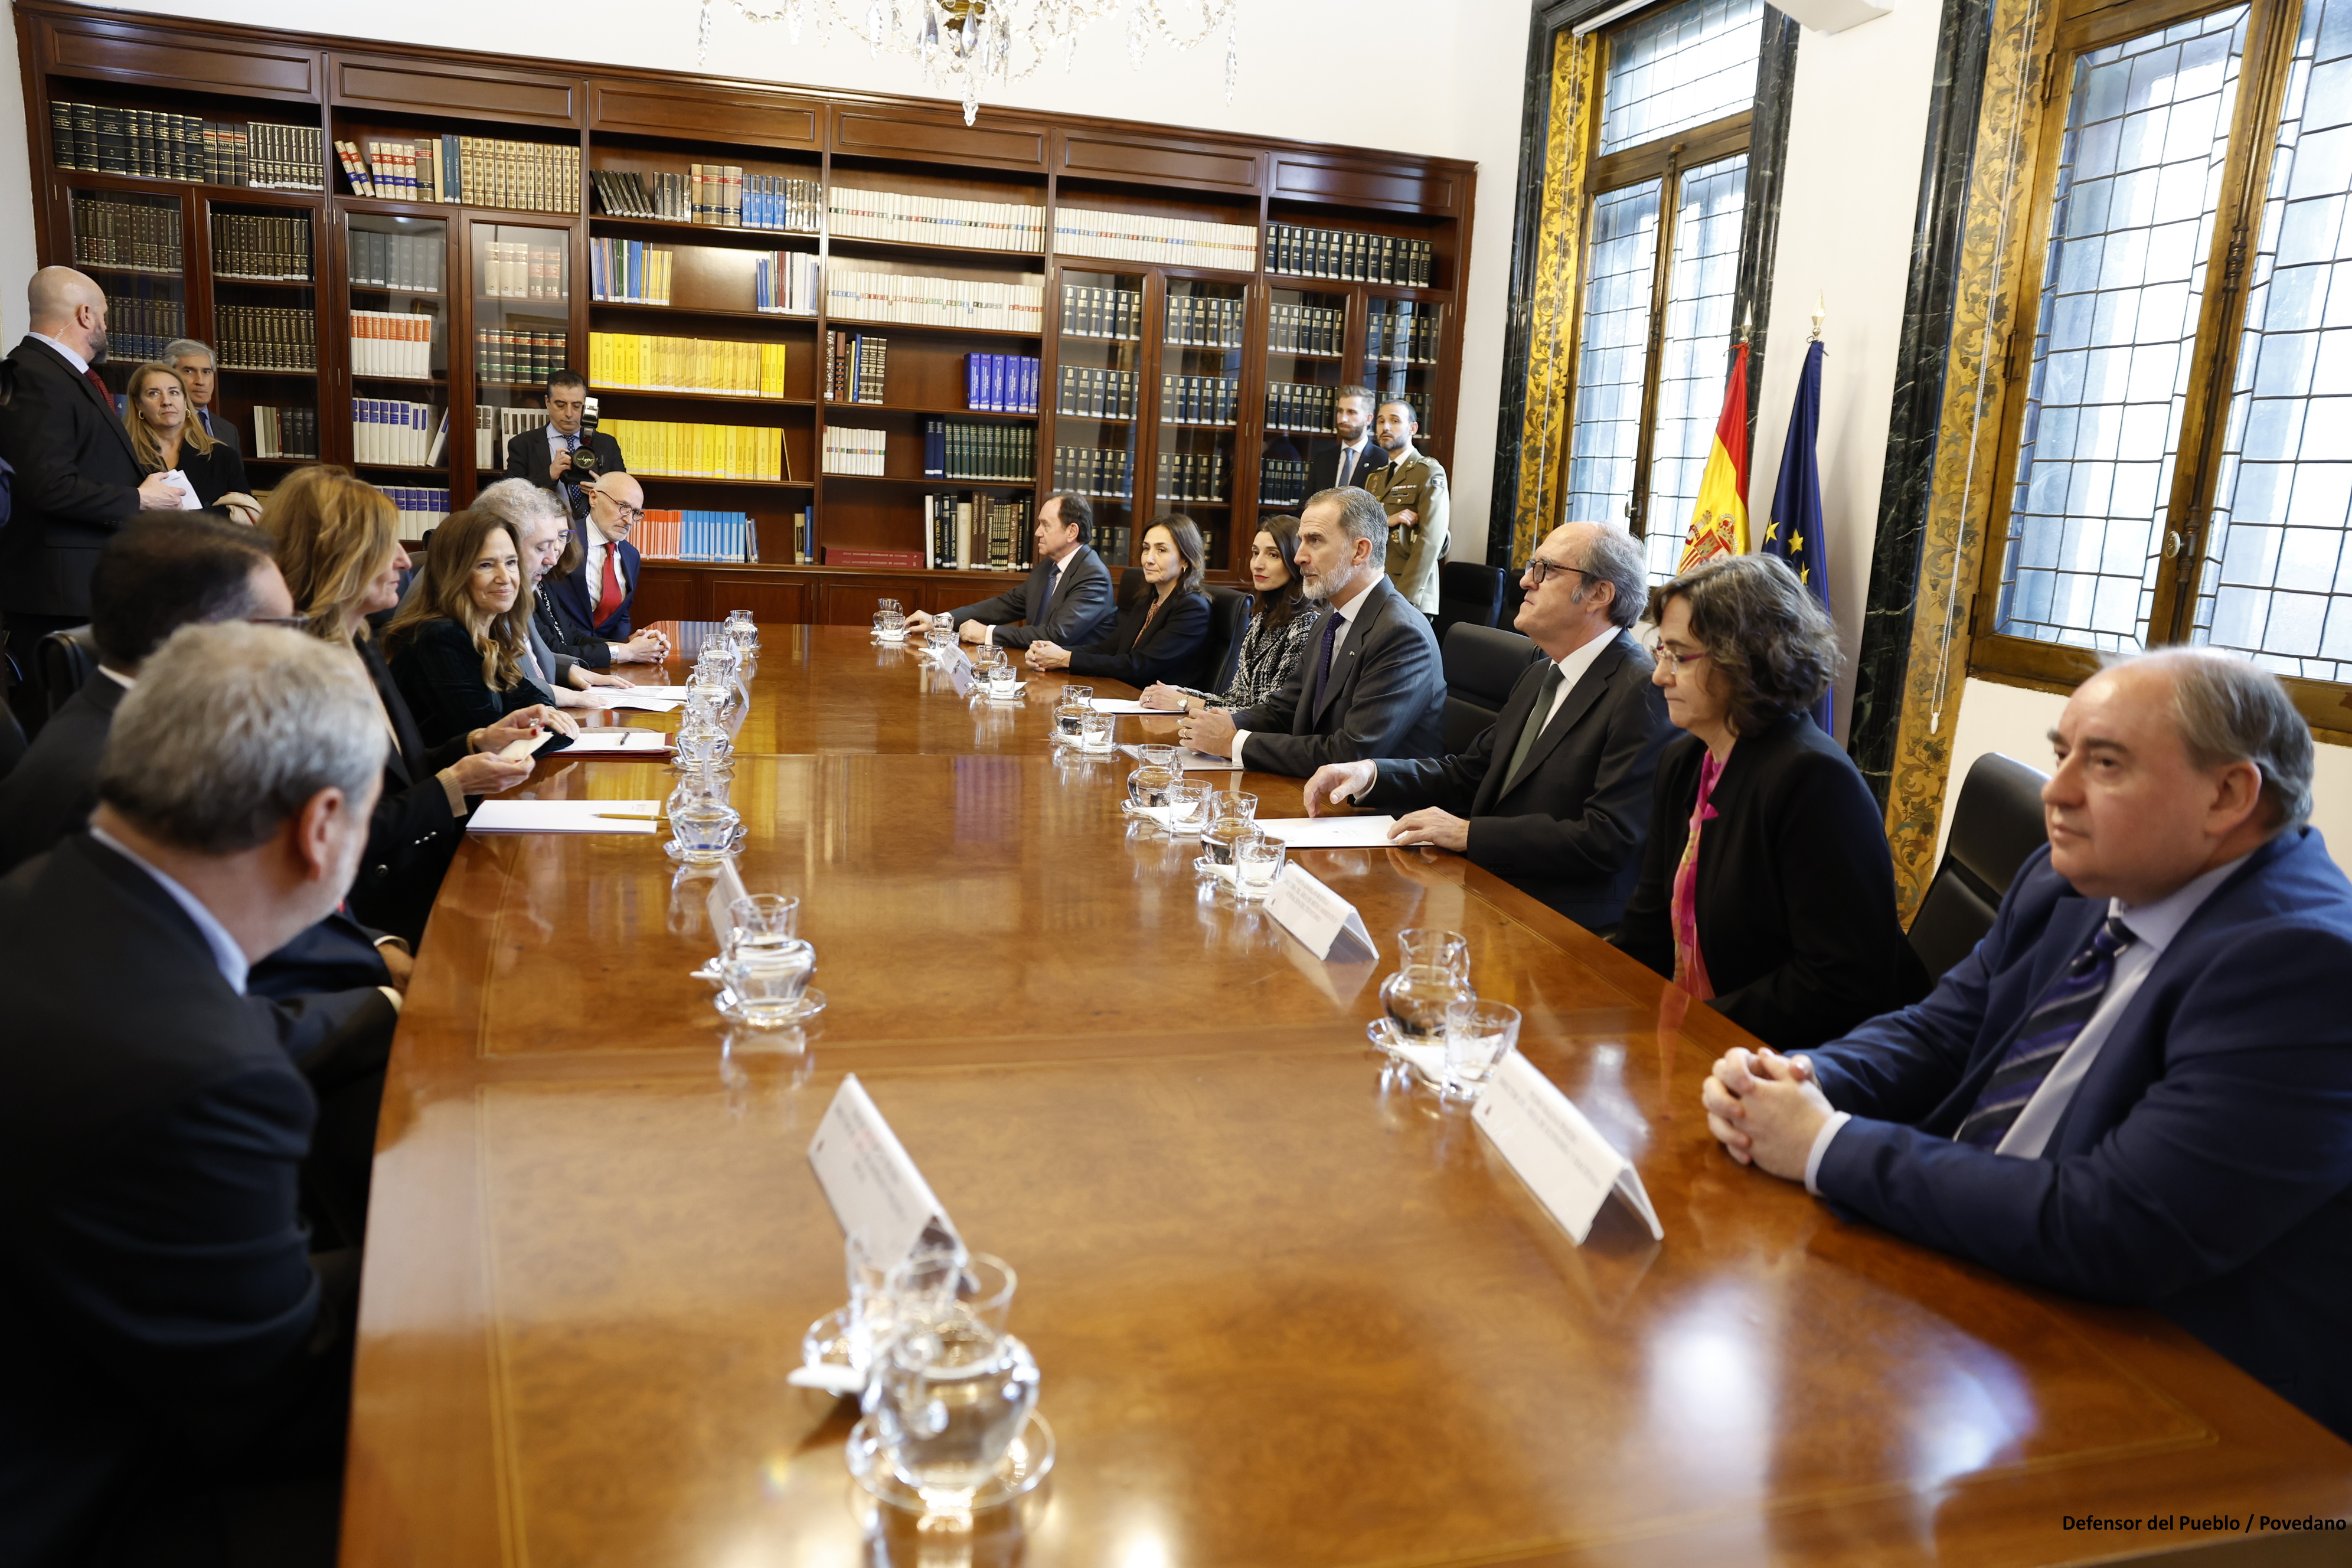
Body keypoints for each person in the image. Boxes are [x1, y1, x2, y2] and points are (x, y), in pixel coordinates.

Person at [1701, 649, 2352, 1439]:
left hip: (2186, 1390)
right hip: (1984, 1276)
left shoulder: (2307, 967)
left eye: (2105, 764)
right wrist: (1803, 1077)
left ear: (2229, 795)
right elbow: (1943, 1030)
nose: (2057, 791)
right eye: (2061, 754)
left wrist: (1824, 1145)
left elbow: (2120, 1225)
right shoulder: (2068, 879)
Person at [0, 623, 388, 1565]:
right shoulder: (206, 1076)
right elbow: (269, 1403)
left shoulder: (42, 894)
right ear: (322, 826)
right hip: (84, 1496)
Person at [1613, 553, 1927, 1049]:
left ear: (1747, 658)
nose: (1660, 677)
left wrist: (1689, 1027)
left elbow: (1839, 983)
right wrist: (1595, 1002)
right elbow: (1648, 929)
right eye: (1661, 653)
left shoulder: (1812, 779)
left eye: (1680, 656)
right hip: (1703, 1036)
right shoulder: (1684, 762)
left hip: (1799, 1062)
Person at [1301, 521, 1671, 930]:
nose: (1526, 581)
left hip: (1562, 920)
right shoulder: (1540, 673)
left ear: (1599, 594)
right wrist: (1369, 773)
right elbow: (1469, 773)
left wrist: (1470, 834)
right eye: (1532, 566)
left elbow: (1608, 838)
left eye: (1546, 570)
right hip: (1485, 887)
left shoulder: (1643, 690)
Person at [263, 466, 551, 944]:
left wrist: (476, 741)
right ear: (335, 556)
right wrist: (450, 787)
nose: (403, 561)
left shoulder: (360, 643)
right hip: (373, 907)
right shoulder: (295, 672)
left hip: (420, 862)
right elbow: (324, 836)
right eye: (386, 546)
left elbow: (406, 769)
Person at [0, 267, 182, 714]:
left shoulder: (61, 375)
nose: (106, 324)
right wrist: (139, 499)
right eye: (103, 314)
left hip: (83, 591)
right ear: (85, 315)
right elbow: (47, 485)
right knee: (60, 725)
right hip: (58, 599)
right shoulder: (36, 376)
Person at [1177, 488, 1444, 778]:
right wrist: (1225, 721)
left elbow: (1351, 754)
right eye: (1301, 541)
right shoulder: (1331, 618)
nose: (1300, 557)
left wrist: (1232, 742)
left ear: (1360, 551)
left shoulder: (1401, 634)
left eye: (1315, 541)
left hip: (1376, 813)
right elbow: (1286, 707)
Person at [383, 508, 565, 748]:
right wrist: (549, 725)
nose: (505, 577)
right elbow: (494, 739)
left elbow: (533, 701)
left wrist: (543, 719)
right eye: (486, 565)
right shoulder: (439, 638)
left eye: (511, 563)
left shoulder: (490, 632)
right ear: (454, 573)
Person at [471, 478, 629, 707]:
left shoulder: (520, 589)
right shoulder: (488, 593)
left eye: (560, 539)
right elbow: (493, 686)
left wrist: (566, 670)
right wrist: (555, 693)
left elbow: (528, 658)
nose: (553, 559)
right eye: (541, 547)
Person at [1140, 515, 1315, 714]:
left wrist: (1185, 702)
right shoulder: (1260, 620)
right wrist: (1182, 693)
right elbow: (1235, 699)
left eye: (1273, 555)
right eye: (1255, 553)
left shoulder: (1306, 624)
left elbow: (1272, 713)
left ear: (1296, 560)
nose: (1258, 564)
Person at [908, 493, 1116, 651]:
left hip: (1083, 684)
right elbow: (1006, 605)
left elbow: (1056, 635)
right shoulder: (1049, 567)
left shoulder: (1092, 575)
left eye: (1046, 525)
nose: (1037, 533)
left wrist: (988, 633)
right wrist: (941, 621)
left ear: (1072, 531)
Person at [1023, 514, 1212, 688]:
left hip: (1162, 713)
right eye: (1146, 549)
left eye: (1161, 550)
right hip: (1125, 695)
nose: (1149, 559)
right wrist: (1050, 652)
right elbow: (1109, 648)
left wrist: (1065, 659)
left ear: (1186, 560)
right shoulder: (1148, 601)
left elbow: (1139, 666)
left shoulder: (1192, 608)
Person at [544, 471, 669, 668]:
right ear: (593, 498)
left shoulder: (631, 556)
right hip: (561, 660)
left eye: (636, 513)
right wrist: (624, 651)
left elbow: (622, 617)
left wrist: (632, 644)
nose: (629, 520)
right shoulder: (562, 541)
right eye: (623, 507)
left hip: (611, 665)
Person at [125, 360, 259, 523]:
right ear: (139, 404)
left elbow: (246, 512)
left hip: (208, 546)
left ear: (185, 400)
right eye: (154, 393)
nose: (166, 401)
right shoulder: (123, 455)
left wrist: (190, 519)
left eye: (174, 392)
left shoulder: (222, 456)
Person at [504, 368, 625, 526]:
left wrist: (603, 491)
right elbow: (509, 497)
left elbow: (625, 494)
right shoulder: (522, 444)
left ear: (586, 405)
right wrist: (549, 475)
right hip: (542, 531)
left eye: (576, 406)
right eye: (561, 405)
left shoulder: (607, 444)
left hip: (595, 530)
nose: (569, 413)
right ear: (548, 402)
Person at [1362, 399, 1449, 613]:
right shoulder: (1376, 477)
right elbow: (1362, 530)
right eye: (1381, 421)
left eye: (1395, 421)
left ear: (1413, 428)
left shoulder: (1428, 471)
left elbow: (1431, 539)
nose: (1386, 427)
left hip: (1409, 593)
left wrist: (1404, 597)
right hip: (1375, 587)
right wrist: (1387, 520)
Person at [1305, 384, 1386, 494]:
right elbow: (1306, 505)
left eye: (1351, 412)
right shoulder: (1323, 459)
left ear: (1368, 419)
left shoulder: (1383, 461)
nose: (1343, 419)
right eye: (1340, 411)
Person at [167, 335, 241, 455]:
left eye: (206, 372)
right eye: (189, 371)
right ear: (170, 375)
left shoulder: (228, 430)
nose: (200, 381)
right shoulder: (164, 424)